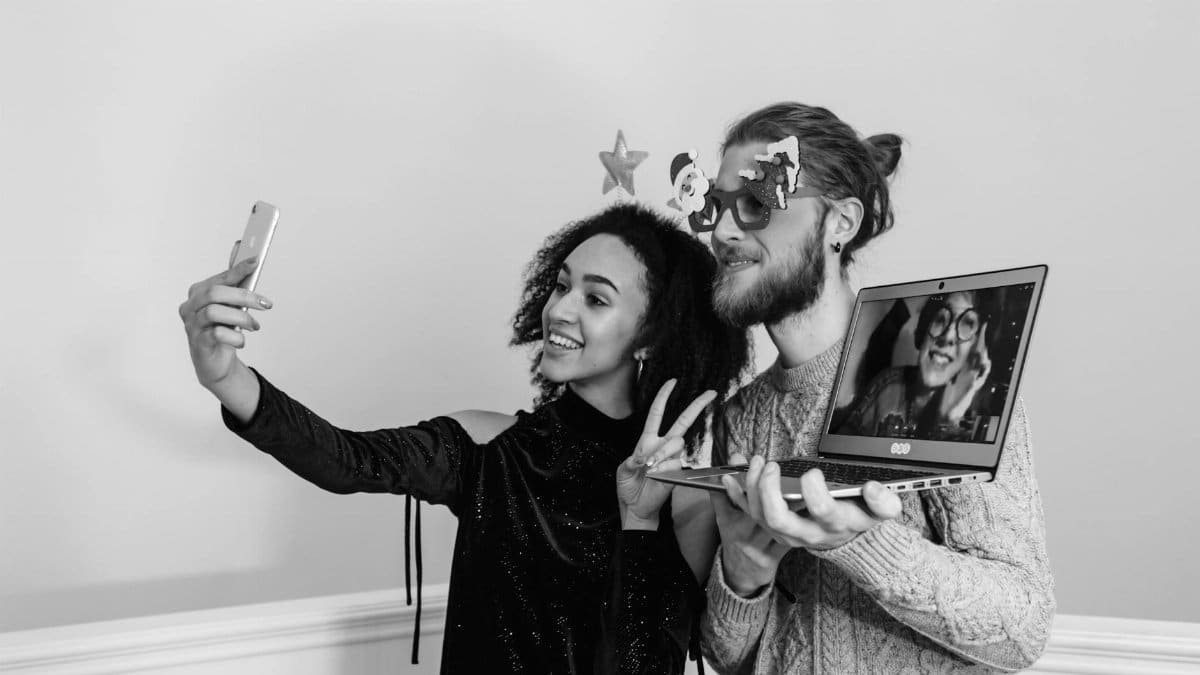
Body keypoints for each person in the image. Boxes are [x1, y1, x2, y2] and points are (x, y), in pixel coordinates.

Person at [177, 202, 752, 674]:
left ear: (650, 335)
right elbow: (347, 459)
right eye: (560, 286)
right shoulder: (491, 446)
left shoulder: (685, 499)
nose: (560, 310)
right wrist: (223, 375)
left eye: (596, 298)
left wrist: (640, 522)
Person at [685, 102, 1055, 672]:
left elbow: (1022, 626)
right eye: (716, 206)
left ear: (841, 223)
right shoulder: (738, 417)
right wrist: (743, 574)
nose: (724, 231)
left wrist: (857, 543)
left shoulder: (948, 383)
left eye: (757, 203)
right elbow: (728, 656)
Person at [836, 289, 1004, 441]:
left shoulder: (973, 423)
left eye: (968, 324)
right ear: (924, 332)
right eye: (941, 319)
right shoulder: (889, 382)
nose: (948, 336)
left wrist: (952, 415)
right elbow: (842, 440)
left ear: (977, 351)